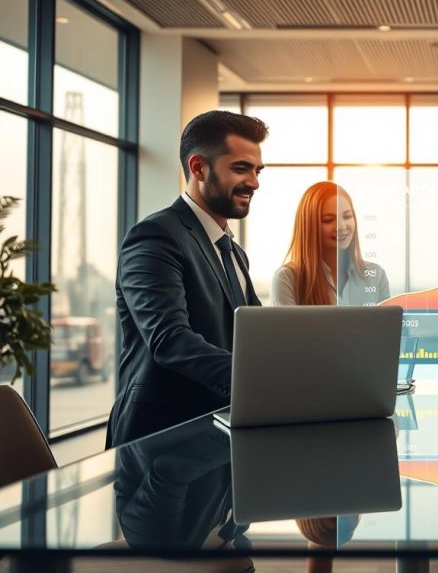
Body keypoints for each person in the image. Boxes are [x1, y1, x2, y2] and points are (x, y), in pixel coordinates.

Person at [106, 110, 267, 448]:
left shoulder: (232, 251)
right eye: (240, 168)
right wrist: (262, 380)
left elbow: (255, 335)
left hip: (221, 434)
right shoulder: (154, 236)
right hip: (161, 443)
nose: (254, 181)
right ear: (198, 168)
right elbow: (170, 339)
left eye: (256, 170)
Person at [270, 181, 390, 306]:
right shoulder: (287, 279)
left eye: (347, 216)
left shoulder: (376, 274)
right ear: (309, 226)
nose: (341, 226)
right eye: (328, 220)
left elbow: (388, 325)